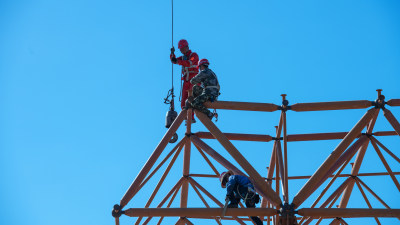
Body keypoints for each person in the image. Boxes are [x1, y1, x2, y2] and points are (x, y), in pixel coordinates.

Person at [170, 39, 199, 120]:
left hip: (194, 80)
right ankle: (186, 116)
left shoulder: (194, 55)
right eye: (180, 49)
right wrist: (172, 54)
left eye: (183, 48)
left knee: (191, 98)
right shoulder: (183, 57)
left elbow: (189, 63)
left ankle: (191, 117)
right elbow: (174, 61)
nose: (182, 51)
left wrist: (178, 61)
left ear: (187, 47)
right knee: (183, 101)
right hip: (186, 81)